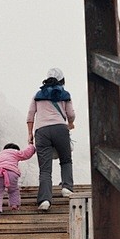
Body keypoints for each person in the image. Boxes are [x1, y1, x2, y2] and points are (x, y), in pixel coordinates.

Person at [26, 67, 75, 211]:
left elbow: (30, 115)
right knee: (65, 160)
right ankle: (66, 187)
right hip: (60, 129)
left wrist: (30, 134)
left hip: (42, 132)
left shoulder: (38, 95)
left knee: (45, 169)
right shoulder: (65, 94)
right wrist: (70, 123)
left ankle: (45, 200)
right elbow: (70, 114)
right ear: (62, 80)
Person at [0, 142, 36, 219]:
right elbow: (26, 153)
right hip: (11, 173)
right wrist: (31, 146)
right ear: (16, 149)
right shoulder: (15, 152)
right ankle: (14, 205)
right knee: (13, 190)